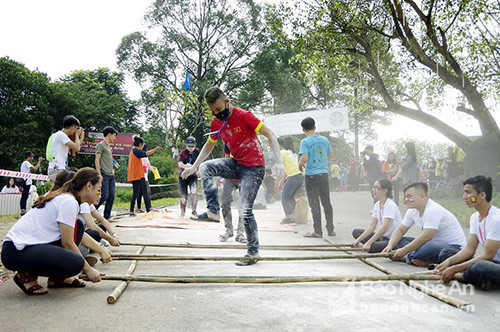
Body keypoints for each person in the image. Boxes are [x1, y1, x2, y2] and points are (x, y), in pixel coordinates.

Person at [181, 87, 284, 266]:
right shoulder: (216, 123)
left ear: (227, 102)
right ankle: (213, 211)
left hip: (254, 167)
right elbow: (208, 146)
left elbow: (270, 135)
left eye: (219, 110)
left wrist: (279, 162)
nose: (216, 114)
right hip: (236, 164)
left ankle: (253, 252)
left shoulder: (245, 116)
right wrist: (194, 166)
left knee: (245, 210)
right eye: (213, 111)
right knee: (206, 167)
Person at [1, 168, 109, 296]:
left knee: (78, 227)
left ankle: (57, 278)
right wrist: (88, 269)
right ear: (89, 186)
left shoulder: (69, 200)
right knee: (76, 263)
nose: (99, 194)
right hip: (16, 251)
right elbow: (68, 243)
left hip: (27, 248)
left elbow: (75, 235)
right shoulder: (69, 201)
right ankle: (26, 276)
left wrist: (102, 250)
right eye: (98, 189)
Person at [436, 176, 500, 290]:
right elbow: (469, 249)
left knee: (480, 266)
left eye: (468, 193)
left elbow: (488, 256)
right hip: (491, 262)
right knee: (447, 254)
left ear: (482, 195)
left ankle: (460, 276)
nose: (464, 197)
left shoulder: (496, 219)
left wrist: (455, 269)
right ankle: (480, 279)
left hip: (491, 264)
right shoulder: (475, 217)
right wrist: (449, 262)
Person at [382, 182, 467, 266]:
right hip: (429, 244)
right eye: (406, 197)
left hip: (453, 248)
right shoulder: (412, 211)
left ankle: (406, 257)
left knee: (430, 246)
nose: (406, 200)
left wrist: (403, 251)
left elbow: (427, 236)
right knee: (400, 241)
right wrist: (390, 245)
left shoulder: (433, 210)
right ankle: (419, 258)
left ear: (422, 196)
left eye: (410, 197)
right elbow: (400, 230)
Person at [298, 117, 335, 238]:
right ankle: (331, 230)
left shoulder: (305, 142)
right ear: (314, 127)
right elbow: (330, 155)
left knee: (314, 204)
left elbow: (305, 158)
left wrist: (300, 164)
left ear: (303, 129)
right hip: (323, 174)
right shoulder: (325, 140)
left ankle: (318, 231)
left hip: (312, 176)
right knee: (326, 203)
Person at [351, 179, 409, 253]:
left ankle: (371, 246)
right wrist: (357, 240)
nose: (374, 190)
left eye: (377, 187)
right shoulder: (377, 205)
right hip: (382, 237)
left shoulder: (390, 205)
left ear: (385, 190)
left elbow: (384, 228)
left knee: (373, 247)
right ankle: (370, 245)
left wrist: (368, 243)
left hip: (392, 240)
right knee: (356, 232)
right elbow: (372, 227)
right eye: (373, 187)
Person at [127, 137, 161, 217]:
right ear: (141, 144)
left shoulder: (133, 151)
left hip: (136, 174)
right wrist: (155, 149)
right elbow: (146, 154)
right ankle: (148, 209)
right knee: (144, 192)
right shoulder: (136, 151)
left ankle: (133, 211)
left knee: (136, 193)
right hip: (137, 175)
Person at [219, 144, 247, 243]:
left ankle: (240, 233)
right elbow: (226, 158)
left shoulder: (252, 140)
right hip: (230, 177)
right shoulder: (229, 141)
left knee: (244, 205)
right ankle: (229, 230)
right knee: (225, 202)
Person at [47, 115, 84, 182]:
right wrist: (77, 135)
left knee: (59, 191)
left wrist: (80, 138)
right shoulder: (61, 135)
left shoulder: (60, 135)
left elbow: (74, 152)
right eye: (76, 128)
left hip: (56, 168)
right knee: (60, 191)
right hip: (57, 169)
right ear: (73, 127)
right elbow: (77, 148)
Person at [276, 136, 303, 225]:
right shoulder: (287, 153)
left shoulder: (281, 153)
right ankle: (293, 216)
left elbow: (280, 170)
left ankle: (290, 219)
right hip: (299, 176)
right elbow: (286, 171)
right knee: (290, 197)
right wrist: (281, 182)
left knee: (285, 197)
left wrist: (278, 182)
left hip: (294, 177)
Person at [95, 126, 118, 220]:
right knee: (104, 195)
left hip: (111, 175)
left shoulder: (108, 147)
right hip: (104, 174)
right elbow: (97, 160)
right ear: (109, 135)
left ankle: (107, 216)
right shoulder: (100, 145)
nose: (115, 138)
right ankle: (89, 211)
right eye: (114, 136)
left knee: (111, 196)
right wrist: (99, 174)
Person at [177, 136, 199, 218]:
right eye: (189, 146)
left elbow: (199, 162)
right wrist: (187, 167)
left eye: (192, 146)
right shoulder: (183, 152)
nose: (191, 148)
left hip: (193, 176)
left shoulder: (197, 153)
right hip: (183, 176)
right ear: (186, 145)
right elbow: (179, 163)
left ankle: (194, 211)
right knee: (184, 195)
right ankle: (182, 212)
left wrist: (197, 169)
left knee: (194, 192)